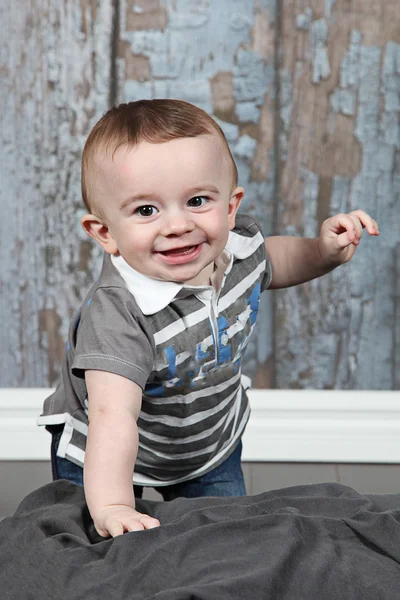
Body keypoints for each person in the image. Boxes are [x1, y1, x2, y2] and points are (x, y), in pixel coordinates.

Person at [38, 99, 379, 538]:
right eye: (146, 210)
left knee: (224, 540)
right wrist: (114, 506)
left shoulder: (239, 251)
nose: (178, 224)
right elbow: (112, 417)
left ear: (231, 206)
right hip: (107, 457)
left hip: (209, 444)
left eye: (197, 200)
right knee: (97, 546)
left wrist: (321, 252)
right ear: (105, 233)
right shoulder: (119, 313)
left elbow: (273, 260)